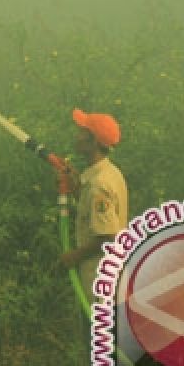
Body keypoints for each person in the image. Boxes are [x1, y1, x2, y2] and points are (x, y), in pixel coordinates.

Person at [59, 108, 128, 297]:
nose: (77, 136)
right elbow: (94, 212)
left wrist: (75, 256)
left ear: (94, 142)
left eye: (82, 132)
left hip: (100, 277)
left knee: (99, 325)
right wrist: (75, 187)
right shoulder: (108, 173)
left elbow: (107, 236)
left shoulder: (100, 184)